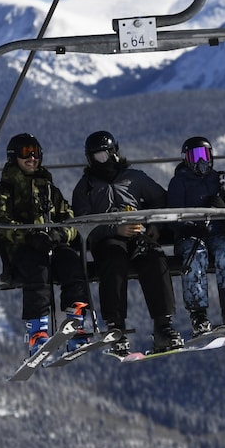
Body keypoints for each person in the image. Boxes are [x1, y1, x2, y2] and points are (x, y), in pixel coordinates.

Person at [71, 130, 183, 356]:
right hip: (107, 240)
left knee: (154, 257)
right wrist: (114, 229)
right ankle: (116, 327)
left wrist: (154, 224)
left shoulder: (133, 178)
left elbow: (160, 198)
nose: (100, 161)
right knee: (113, 261)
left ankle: (163, 325)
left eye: (104, 155)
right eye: (95, 157)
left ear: (114, 153)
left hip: (136, 234)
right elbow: (82, 223)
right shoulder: (86, 187)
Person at [0, 133, 91, 357]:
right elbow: (1, 223)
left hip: (52, 245)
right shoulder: (4, 191)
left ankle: (76, 322)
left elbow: (70, 218)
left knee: (72, 263)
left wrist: (60, 234)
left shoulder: (49, 189)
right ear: (13, 157)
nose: (32, 158)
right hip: (23, 250)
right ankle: (37, 331)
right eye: (26, 153)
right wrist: (29, 237)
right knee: (38, 271)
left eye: (36, 153)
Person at [167, 136, 225, 336]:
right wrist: (189, 227)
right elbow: (173, 215)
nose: (201, 161)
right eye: (195, 156)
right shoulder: (179, 182)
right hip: (190, 237)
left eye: (205, 155)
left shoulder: (219, 180)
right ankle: (199, 313)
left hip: (216, 233)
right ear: (186, 159)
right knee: (196, 255)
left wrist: (223, 208)